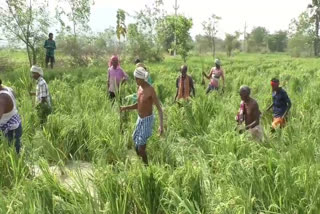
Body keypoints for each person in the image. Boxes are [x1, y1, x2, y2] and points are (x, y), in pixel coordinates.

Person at [120, 67, 164, 165]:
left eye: (137, 78)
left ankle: (147, 167)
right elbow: (138, 105)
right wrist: (125, 108)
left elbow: (159, 109)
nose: (135, 80)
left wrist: (161, 125)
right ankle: (142, 161)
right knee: (135, 142)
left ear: (142, 78)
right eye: (135, 78)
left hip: (147, 120)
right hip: (140, 119)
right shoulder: (139, 88)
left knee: (141, 147)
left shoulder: (150, 90)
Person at [0, 79, 22, 154]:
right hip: (15, 124)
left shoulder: (2, 98)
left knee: (14, 155)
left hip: (10, 130)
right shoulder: (8, 88)